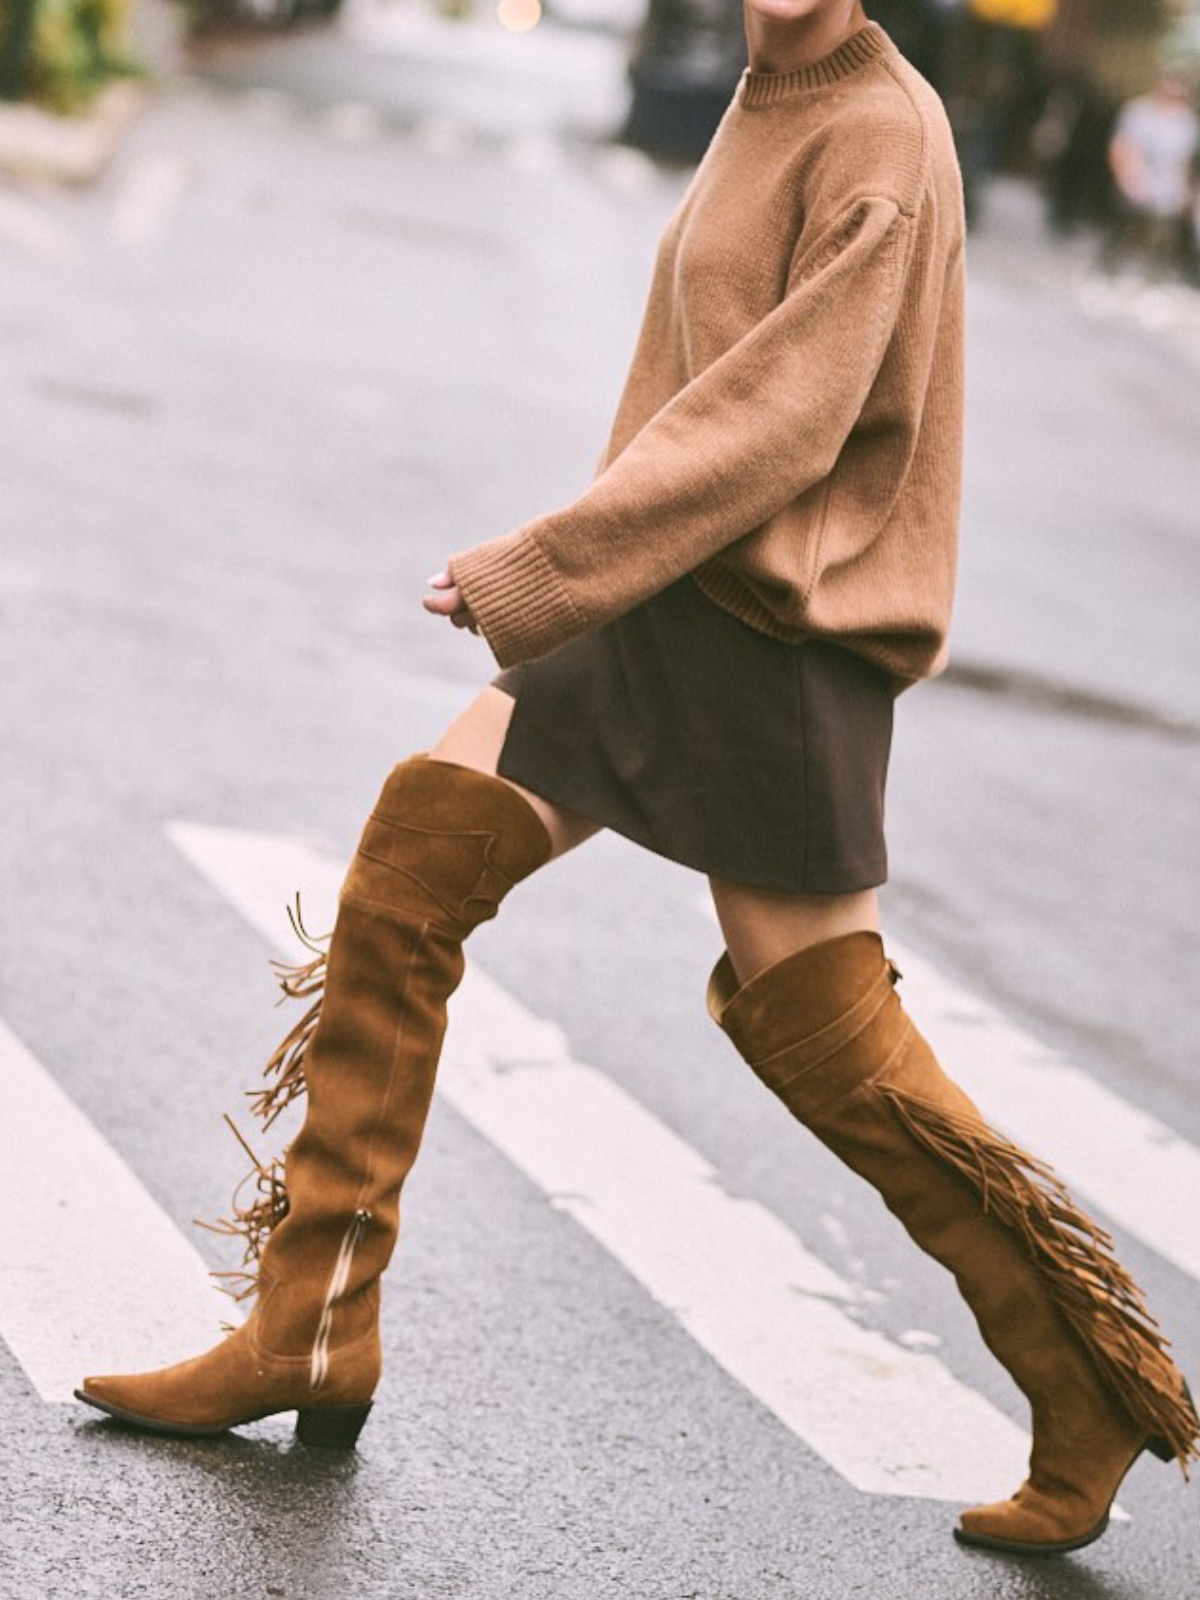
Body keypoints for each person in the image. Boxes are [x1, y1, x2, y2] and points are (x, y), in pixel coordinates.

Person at [75, 0, 1197, 1559]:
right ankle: (311, 1321)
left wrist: (547, 564)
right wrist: (599, 573)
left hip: (776, 642)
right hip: (678, 602)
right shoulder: (768, 89)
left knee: (827, 1031)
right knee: (412, 867)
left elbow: (778, 421)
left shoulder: (880, 131)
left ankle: (1087, 1375)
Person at [1103, 69, 1199, 279]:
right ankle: (1108, 270)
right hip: (1136, 179)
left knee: (1164, 235)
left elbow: (1183, 160)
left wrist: (1184, 190)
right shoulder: (1138, 112)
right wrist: (1128, 179)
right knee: (1124, 229)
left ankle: (1154, 278)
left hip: (1167, 187)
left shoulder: (1187, 123)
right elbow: (1122, 147)